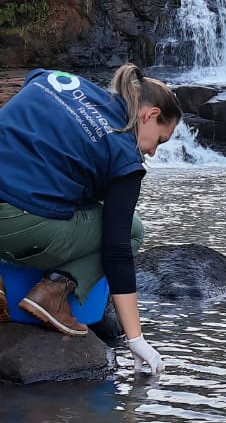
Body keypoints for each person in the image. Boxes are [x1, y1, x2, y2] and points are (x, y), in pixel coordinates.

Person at [0, 64, 181, 373]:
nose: (151, 153)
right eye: (160, 141)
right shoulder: (124, 154)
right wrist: (135, 339)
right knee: (132, 231)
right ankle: (54, 292)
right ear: (149, 115)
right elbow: (117, 249)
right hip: (12, 224)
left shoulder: (57, 80)